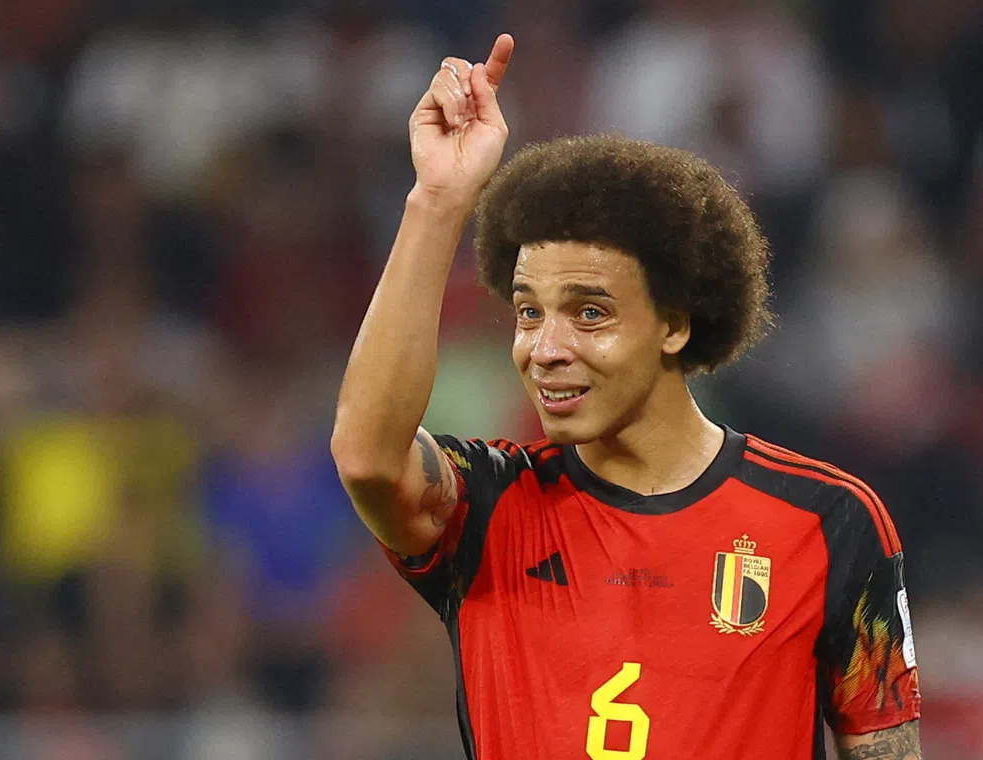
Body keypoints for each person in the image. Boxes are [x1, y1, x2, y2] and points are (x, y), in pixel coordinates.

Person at [330, 34, 921, 760]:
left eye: (590, 313)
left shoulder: (828, 523)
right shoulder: (488, 509)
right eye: (527, 311)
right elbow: (367, 458)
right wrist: (439, 200)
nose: (545, 347)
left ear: (674, 323)